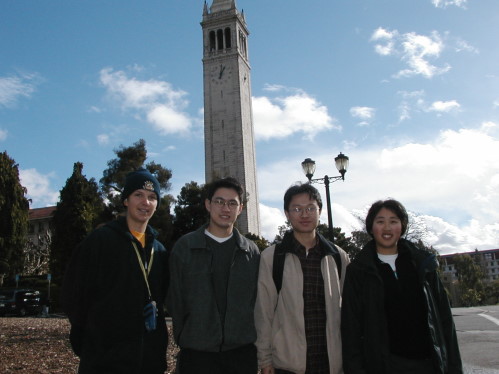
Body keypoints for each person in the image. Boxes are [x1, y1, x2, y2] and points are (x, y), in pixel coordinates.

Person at [62, 168, 170, 374]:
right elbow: (72, 295)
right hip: (105, 362)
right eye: (138, 195)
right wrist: (92, 341)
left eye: (152, 197)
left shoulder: (160, 251)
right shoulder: (100, 241)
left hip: (149, 360)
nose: (145, 202)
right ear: (126, 200)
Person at [341, 199, 463, 374]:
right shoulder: (359, 271)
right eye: (380, 221)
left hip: (428, 364)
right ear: (371, 227)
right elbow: (351, 328)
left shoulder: (422, 265)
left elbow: (444, 321)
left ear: (402, 226)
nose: (387, 228)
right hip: (385, 365)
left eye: (393, 221)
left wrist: (454, 367)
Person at [167, 176, 260, 374]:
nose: (225, 209)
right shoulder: (185, 247)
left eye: (232, 203)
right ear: (208, 204)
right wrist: (188, 334)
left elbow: (257, 301)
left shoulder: (251, 251)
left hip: (241, 355)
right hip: (196, 355)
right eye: (219, 201)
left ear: (240, 208)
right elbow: (175, 298)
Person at [254, 183, 350, 374]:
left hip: (331, 364)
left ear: (320, 211)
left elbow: (349, 312)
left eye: (310, 208)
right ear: (287, 214)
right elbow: (263, 313)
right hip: (288, 365)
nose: (304, 215)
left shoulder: (339, 257)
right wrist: (264, 360)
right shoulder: (272, 257)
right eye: (297, 209)